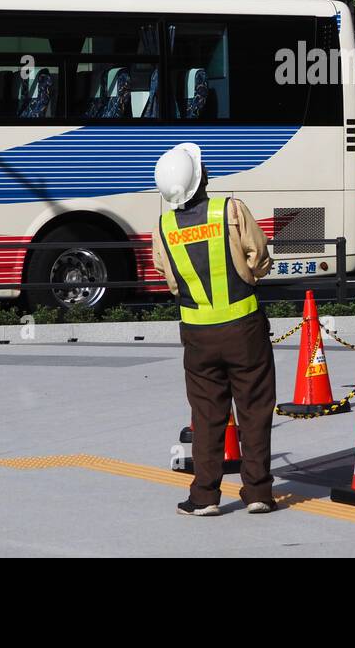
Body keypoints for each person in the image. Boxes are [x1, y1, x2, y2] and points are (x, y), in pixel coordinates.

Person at [151, 142, 276, 516]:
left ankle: (204, 496)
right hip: (244, 327)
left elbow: (170, 279)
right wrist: (250, 275)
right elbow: (260, 257)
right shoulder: (230, 210)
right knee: (254, 410)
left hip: (197, 334)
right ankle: (257, 493)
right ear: (201, 177)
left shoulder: (165, 225)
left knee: (207, 417)